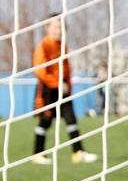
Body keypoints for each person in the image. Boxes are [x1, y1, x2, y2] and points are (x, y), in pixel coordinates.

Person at [31, 12, 97, 165]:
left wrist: (67, 84)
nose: (59, 30)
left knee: (71, 118)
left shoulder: (63, 45)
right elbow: (40, 70)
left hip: (63, 88)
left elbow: (66, 67)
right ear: (47, 28)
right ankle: (37, 154)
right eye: (55, 26)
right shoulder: (43, 46)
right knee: (45, 121)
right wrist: (56, 83)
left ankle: (78, 152)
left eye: (61, 27)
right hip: (47, 88)